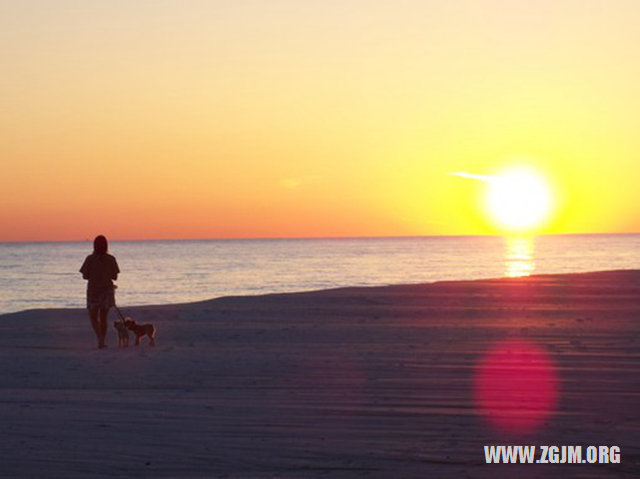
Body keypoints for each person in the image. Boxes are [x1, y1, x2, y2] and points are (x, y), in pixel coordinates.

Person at [80, 235, 120, 348]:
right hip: (107, 291)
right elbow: (115, 276)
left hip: (93, 290)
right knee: (103, 318)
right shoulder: (111, 259)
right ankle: (102, 340)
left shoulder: (89, 259)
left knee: (93, 317)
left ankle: (100, 339)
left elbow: (85, 276)